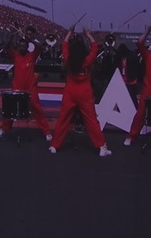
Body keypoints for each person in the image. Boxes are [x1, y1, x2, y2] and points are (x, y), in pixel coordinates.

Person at [48, 26, 112, 157]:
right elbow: (95, 46)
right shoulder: (87, 61)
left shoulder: (68, 60)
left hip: (70, 93)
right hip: (85, 94)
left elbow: (64, 45)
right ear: (83, 50)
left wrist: (69, 32)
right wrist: (88, 33)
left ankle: (54, 145)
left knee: (63, 120)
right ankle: (101, 147)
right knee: (92, 121)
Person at [0, 26, 52, 142]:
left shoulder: (32, 55)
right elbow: (5, 47)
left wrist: (29, 39)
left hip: (30, 86)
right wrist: (12, 37)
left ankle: (46, 131)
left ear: (27, 47)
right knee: (10, 107)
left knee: (37, 108)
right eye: (20, 46)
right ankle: (4, 128)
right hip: (17, 85)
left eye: (24, 46)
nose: (22, 48)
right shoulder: (15, 55)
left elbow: (40, 47)